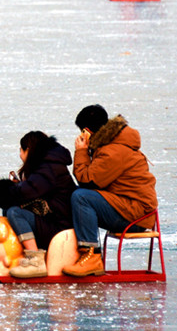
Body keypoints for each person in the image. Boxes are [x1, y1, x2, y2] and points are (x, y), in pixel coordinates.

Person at [62, 104, 158, 277]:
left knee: (81, 197)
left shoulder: (113, 151)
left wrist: (82, 151)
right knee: (77, 195)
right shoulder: (112, 145)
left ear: (87, 131)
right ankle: (83, 253)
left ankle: (91, 257)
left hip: (134, 215)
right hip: (129, 207)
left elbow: (88, 181)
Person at [0, 131, 76, 278]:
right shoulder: (47, 165)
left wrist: (4, 191)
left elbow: (26, 192)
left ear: (28, 150)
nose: (20, 154)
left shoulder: (47, 168)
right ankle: (19, 254)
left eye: (20, 150)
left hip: (60, 225)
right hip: (52, 220)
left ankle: (35, 261)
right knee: (11, 209)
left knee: (14, 212)